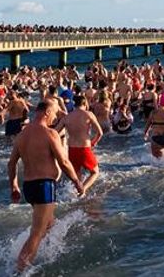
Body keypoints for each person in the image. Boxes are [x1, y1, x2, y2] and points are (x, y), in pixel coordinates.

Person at [8, 100, 85, 272]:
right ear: (47, 113)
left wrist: (14, 185)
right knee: (37, 233)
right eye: (55, 114)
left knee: (49, 224)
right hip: (44, 186)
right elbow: (64, 162)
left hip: (28, 186)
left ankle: (47, 255)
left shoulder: (22, 135)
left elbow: (11, 163)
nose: (55, 118)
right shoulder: (50, 133)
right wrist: (77, 182)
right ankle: (20, 270)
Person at [58, 94, 103, 192]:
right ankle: (83, 190)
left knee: (77, 176)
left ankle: (76, 193)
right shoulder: (89, 114)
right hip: (84, 148)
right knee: (95, 172)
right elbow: (100, 133)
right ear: (84, 103)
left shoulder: (67, 117)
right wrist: (93, 143)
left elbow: (55, 133)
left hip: (72, 149)